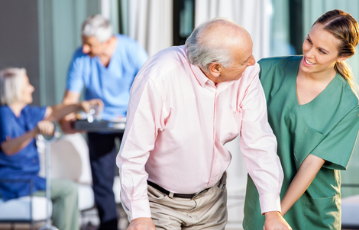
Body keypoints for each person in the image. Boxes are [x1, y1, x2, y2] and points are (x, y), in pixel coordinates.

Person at [117, 18, 292, 230]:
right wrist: (139, 216)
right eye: (245, 59)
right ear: (216, 68)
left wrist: (272, 212)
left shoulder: (247, 75)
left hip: (212, 202)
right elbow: (132, 154)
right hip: (159, 202)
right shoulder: (158, 78)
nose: (253, 62)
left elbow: (259, 144)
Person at [243, 9, 359, 230]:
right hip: (265, 201)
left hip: (313, 210)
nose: (309, 53)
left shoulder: (348, 104)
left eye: (322, 51)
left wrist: (276, 215)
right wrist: (270, 214)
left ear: (342, 57)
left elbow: (311, 165)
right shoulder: (266, 71)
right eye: (309, 41)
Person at [59, 14, 148, 229]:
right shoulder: (81, 57)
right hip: (99, 125)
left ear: (107, 41)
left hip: (132, 122)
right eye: (84, 43)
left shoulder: (132, 51)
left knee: (139, 175)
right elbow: (70, 99)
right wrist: (67, 121)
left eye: (89, 44)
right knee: (101, 182)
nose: (85, 49)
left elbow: (150, 89)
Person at [0, 67, 103, 230]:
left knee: (68, 188)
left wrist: (79, 106)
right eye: (27, 84)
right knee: (68, 189)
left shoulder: (26, 112)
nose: (32, 88)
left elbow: (54, 112)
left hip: (30, 179)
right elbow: (8, 147)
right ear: (15, 88)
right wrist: (33, 133)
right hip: (13, 182)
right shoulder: (4, 114)